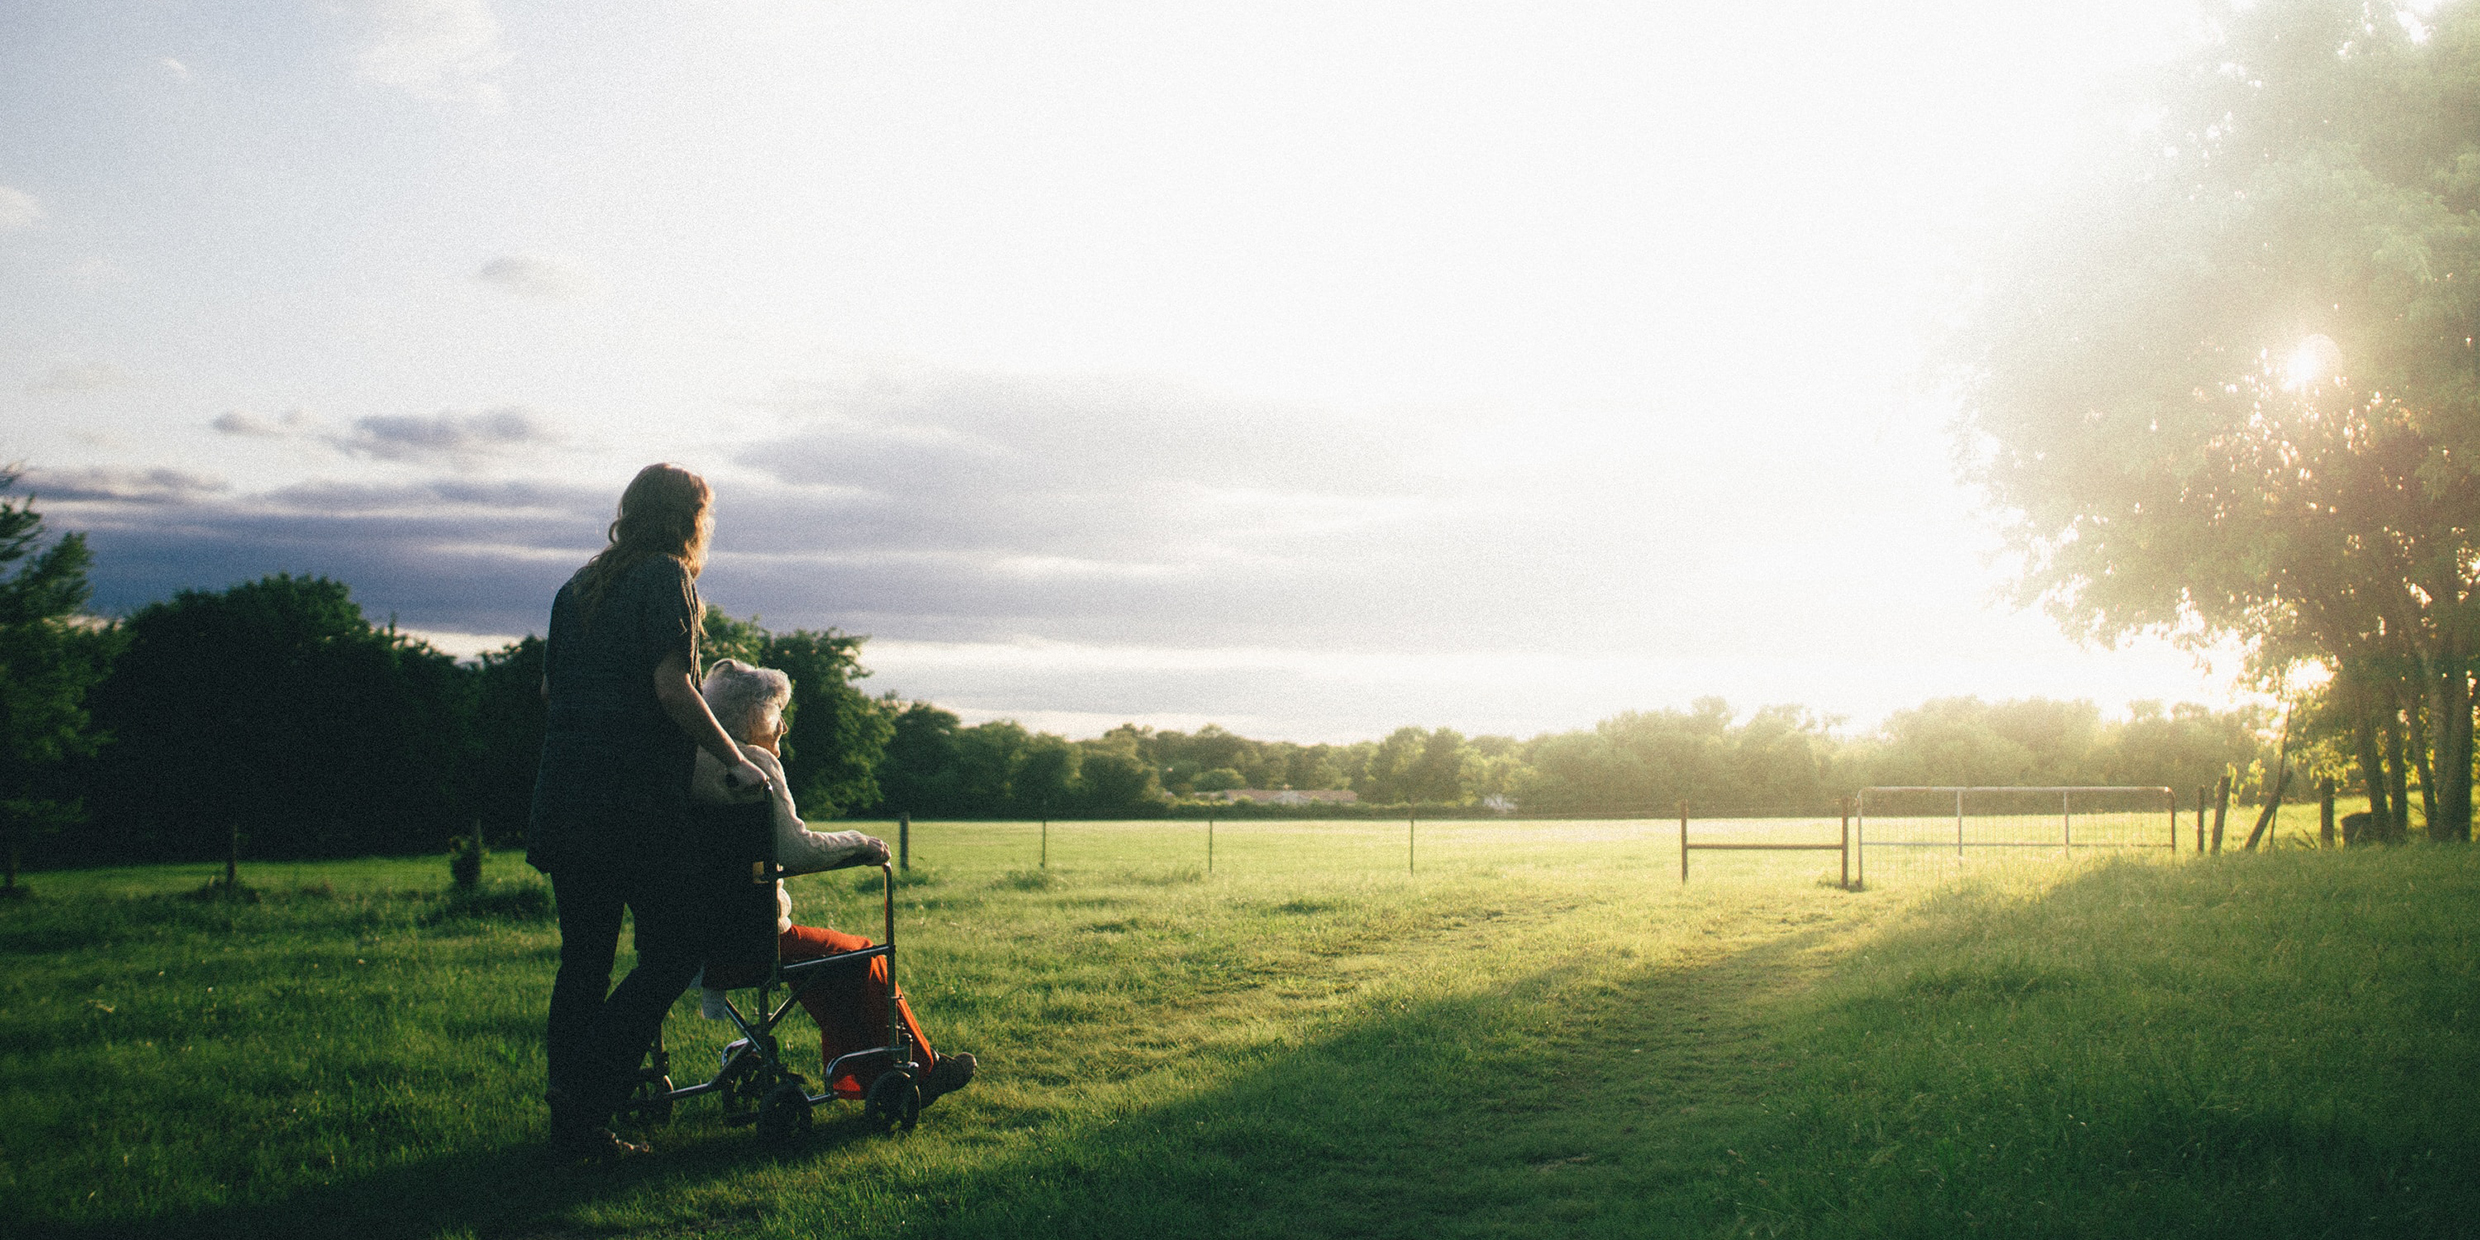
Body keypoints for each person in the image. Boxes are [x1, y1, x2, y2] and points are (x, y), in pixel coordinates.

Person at [527, 463, 770, 1161]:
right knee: (676, 948)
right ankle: (587, 1092)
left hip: (564, 797)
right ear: (690, 517)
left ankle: (572, 1127)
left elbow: (553, 690)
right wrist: (734, 758)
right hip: (629, 805)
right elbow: (673, 688)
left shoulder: (575, 588)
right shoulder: (668, 579)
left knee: (585, 961)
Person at [691, 659, 976, 1105]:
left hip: (694, 940)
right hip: (753, 940)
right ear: (752, 716)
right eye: (776, 712)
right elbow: (797, 850)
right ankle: (922, 1069)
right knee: (862, 954)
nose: (783, 725)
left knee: (828, 962)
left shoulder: (690, 763)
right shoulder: (754, 764)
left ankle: (860, 1077)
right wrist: (860, 843)